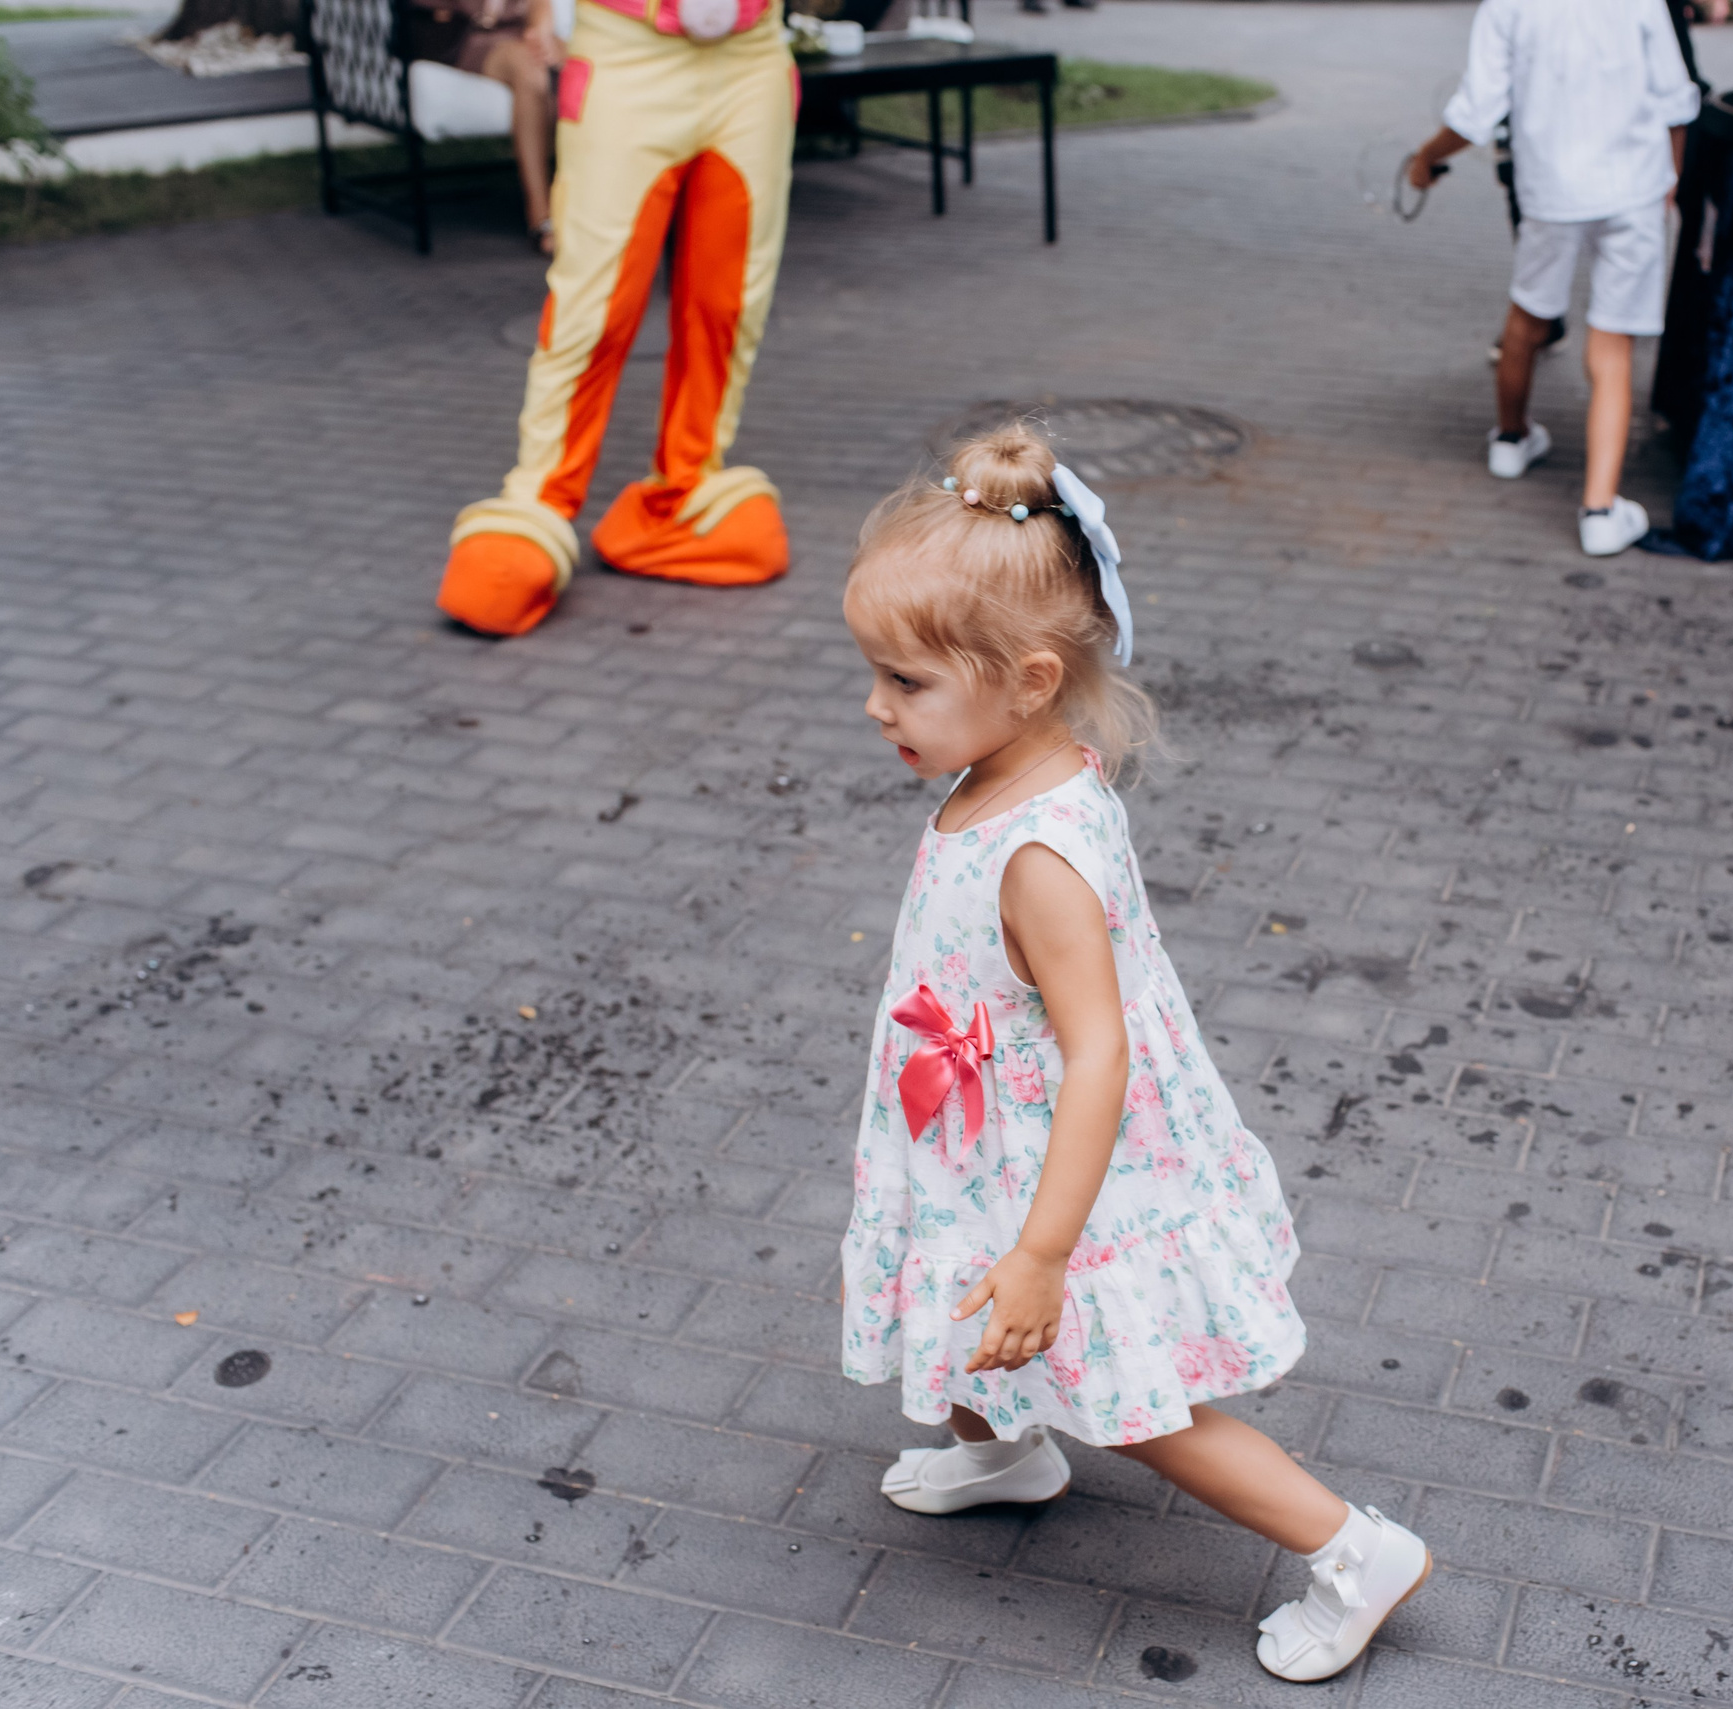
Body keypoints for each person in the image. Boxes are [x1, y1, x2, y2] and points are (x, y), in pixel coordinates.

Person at [838, 425, 1433, 1685]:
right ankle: (1006, 1450)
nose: (876, 704)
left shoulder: (1038, 854)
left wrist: (1046, 1251)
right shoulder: (1010, 766)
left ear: (1030, 679)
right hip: (982, 1135)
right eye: (873, 672)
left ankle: (1350, 1548)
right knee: (957, 1289)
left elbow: (1098, 1051)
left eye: (906, 680)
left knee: (1127, 1394)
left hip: (1060, 1164)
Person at [432, 0, 798, 637]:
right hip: (628, 56)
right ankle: (539, 498)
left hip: (752, 60)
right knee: (596, 305)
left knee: (731, 299)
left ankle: (687, 486)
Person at [1407, 0, 1700, 556]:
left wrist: (1426, 157)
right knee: (1612, 347)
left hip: (1551, 187)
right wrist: (1672, 174)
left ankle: (1510, 440)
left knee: (1527, 315)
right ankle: (1599, 511)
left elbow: (1476, 110)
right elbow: (1675, 96)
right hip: (1634, 185)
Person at [404, 0, 560, 251]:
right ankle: (541, 214)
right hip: (476, 38)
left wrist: (540, 31)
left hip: (526, 35)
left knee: (582, 61)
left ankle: (593, 208)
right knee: (529, 66)